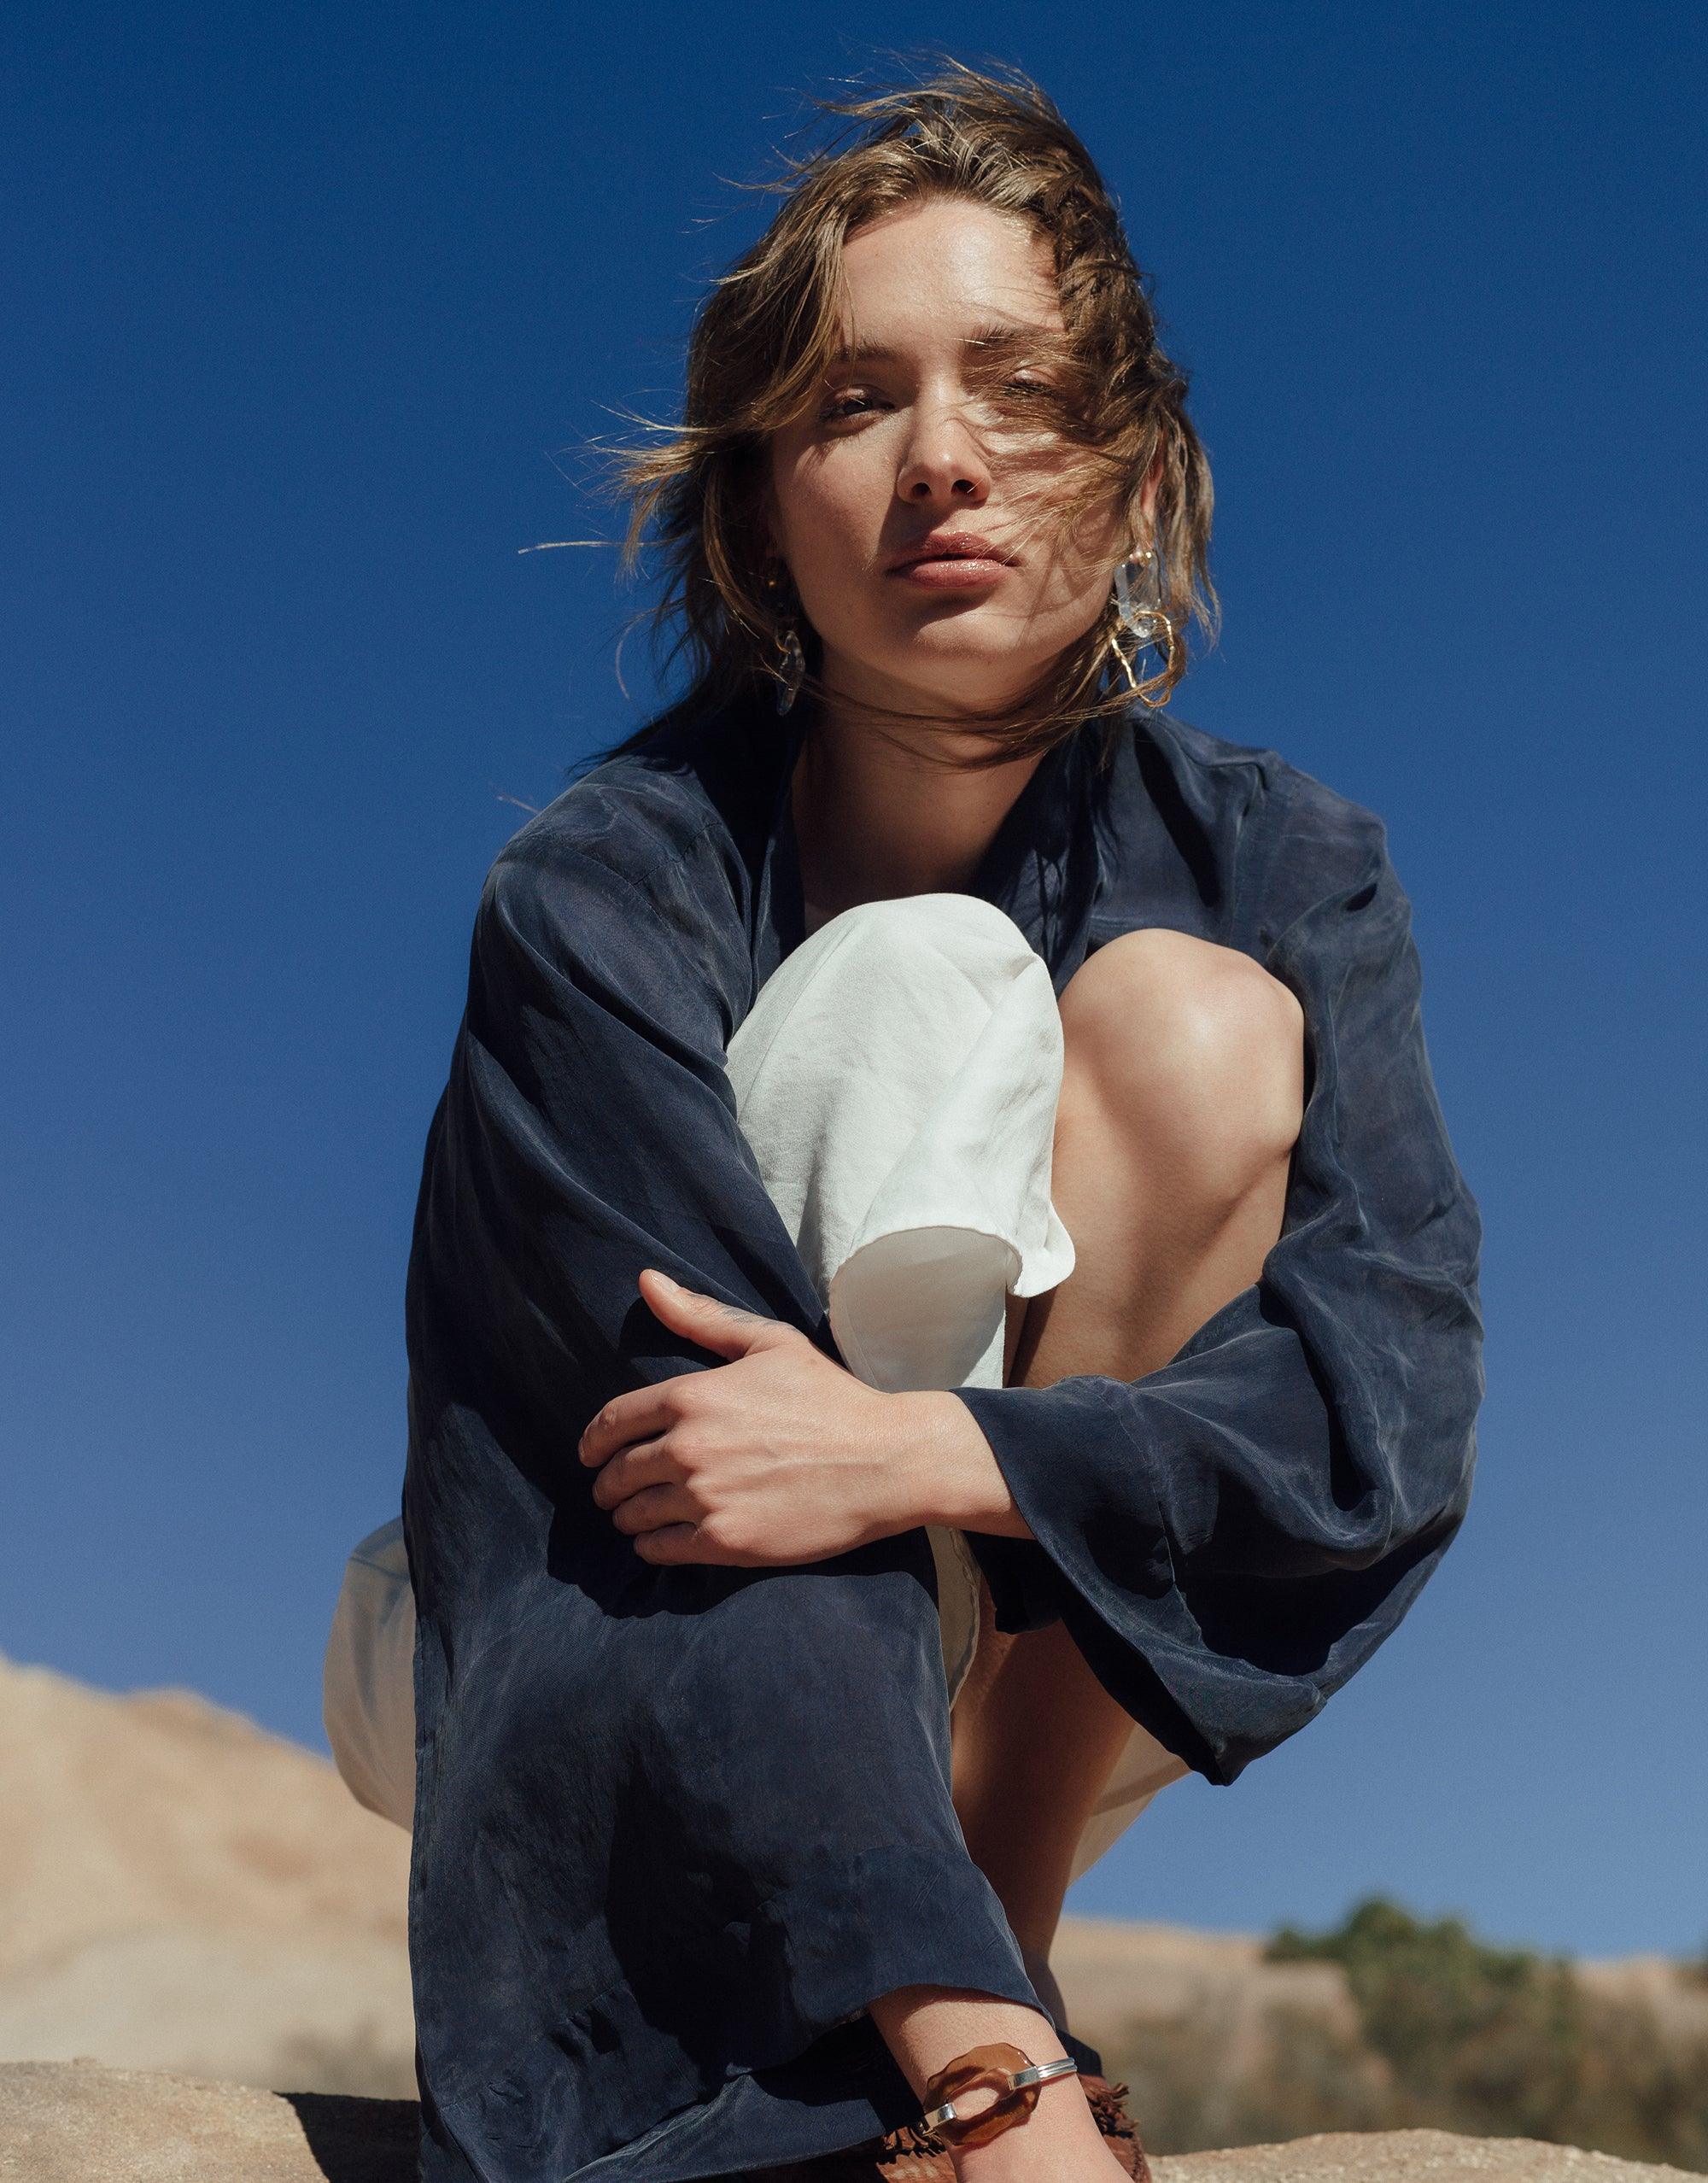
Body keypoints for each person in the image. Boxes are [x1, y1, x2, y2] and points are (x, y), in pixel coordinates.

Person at [384, 58, 1485, 2183]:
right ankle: (963, 2015)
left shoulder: (1287, 867)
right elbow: (700, 1455)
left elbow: (1383, 1406)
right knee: (921, 989)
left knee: (1181, 1030)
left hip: (1043, 1592)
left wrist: (937, 1446)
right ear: (755, 517)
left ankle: (987, 1928)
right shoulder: (606, 891)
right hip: (565, 1589)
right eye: (853, 401)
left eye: (1020, 388)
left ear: (1140, 478)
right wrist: (996, 2094)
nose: (945, 463)